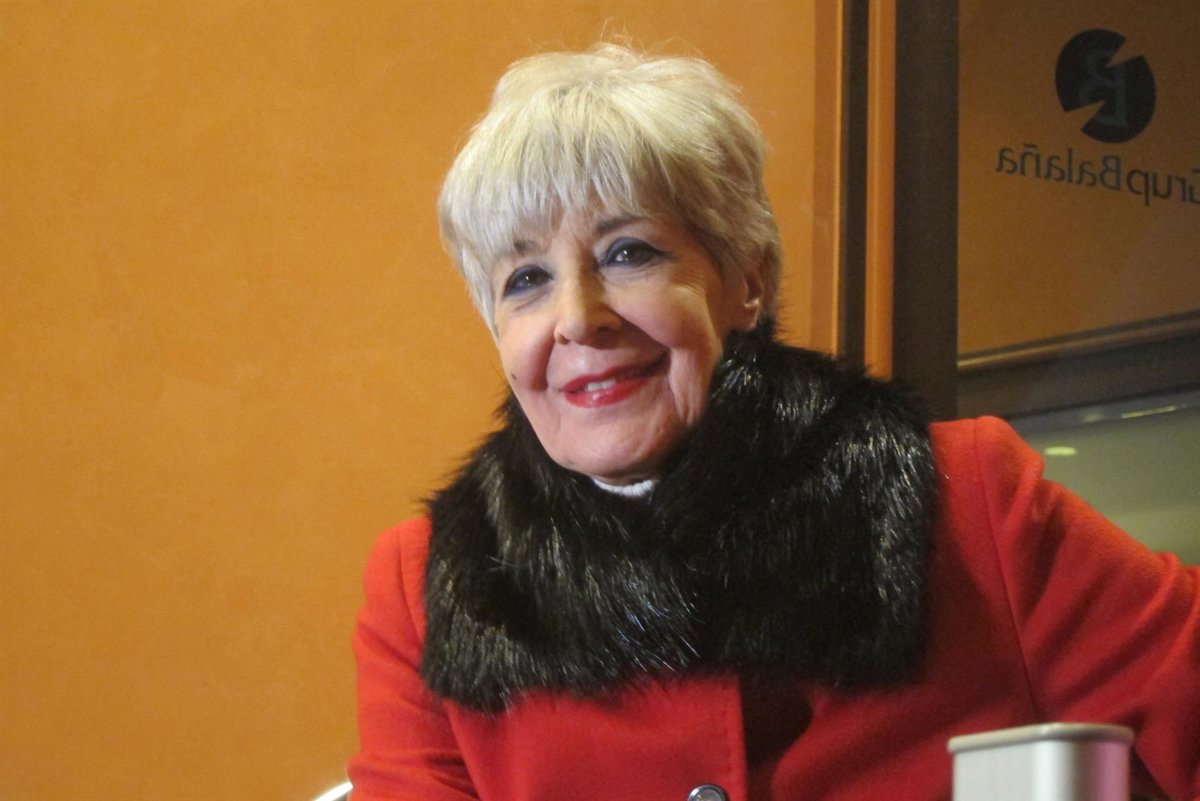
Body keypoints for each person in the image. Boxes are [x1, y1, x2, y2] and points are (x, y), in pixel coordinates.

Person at [348, 44, 1200, 801]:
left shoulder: (970, 500)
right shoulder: (424, 586)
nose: (577, 317)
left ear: (746, 282)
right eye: (526, 279)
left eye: (629, 252)